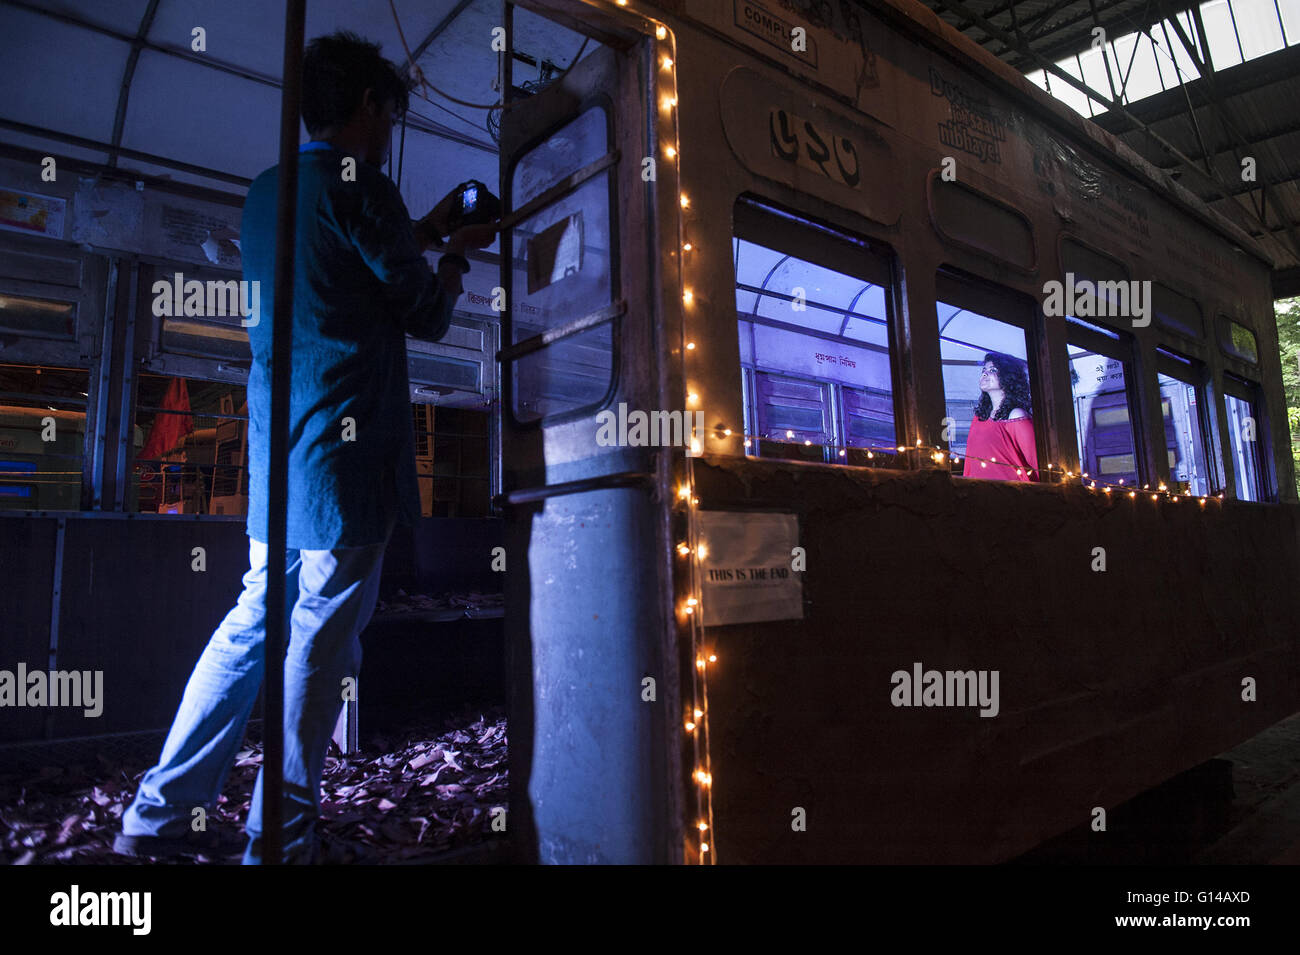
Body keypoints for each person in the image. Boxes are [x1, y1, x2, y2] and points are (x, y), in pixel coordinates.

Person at [114, 31, 497, 864]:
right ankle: (280, 837)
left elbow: (344, 268)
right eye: (391, 111)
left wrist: (421, 230)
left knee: (252, 623)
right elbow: (425, 311)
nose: (392, 128)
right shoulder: (368, 187)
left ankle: (158, 813)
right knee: (323, 647)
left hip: (277, 461)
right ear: (368, 106)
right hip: (347, 465)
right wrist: (458, 260)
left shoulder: (266, 192)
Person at [962, 352, 1038, 482]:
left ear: (1008, 377)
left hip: (1012, 494)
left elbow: (1035, 463)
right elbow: (969, 463)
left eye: (992, 370)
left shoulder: (1016, 415)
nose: (985, 374)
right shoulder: (979, 418)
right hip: (977, 493)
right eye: (984, 370)